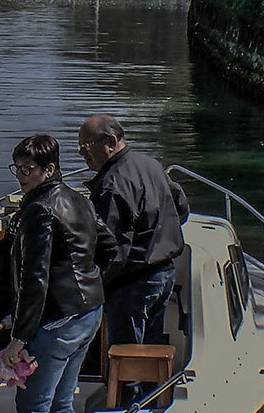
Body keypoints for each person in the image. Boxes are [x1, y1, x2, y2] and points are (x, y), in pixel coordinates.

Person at [2, 134, 116, 413]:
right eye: (18, 168)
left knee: (33, 408)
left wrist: (18, 338)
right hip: (89, 313)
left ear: (49, 169)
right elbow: (109, 248)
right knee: (62, 403)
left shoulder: (39, 209)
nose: (22, 177)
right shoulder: (79, 198)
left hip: (58, 321)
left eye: (29, 170)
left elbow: (35, 278)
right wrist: (89, 278)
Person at [77, 115, 192, 375]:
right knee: (150, 349)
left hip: (133, 284)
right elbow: (181, 208)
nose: (82, 153)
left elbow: (111, 249)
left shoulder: (112, 185)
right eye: (79, 147)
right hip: (164, 274)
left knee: (126, 358)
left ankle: (126, 407)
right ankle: (151, 401)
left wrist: (88, 288)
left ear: (111, 142)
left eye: (87, 145)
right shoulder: (150, 165)